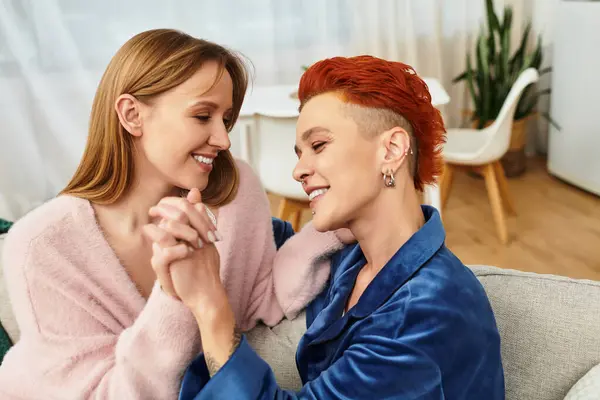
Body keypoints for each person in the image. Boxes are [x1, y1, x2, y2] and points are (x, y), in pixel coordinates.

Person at [0, 29, 346, 399]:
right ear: (132, 115)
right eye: (202, 116)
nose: (224, 139)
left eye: (225, 119)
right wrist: (178, 293)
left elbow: (261, 297)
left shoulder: (233, 190)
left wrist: (339, 223)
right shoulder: (43, 245)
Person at [151, 55, 505, 399]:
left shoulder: (425, 311)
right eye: (299, 153)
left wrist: (210, 306)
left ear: (392, 149)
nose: (298, 171)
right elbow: (274, 245)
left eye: (318, 145)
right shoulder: (353, 261)